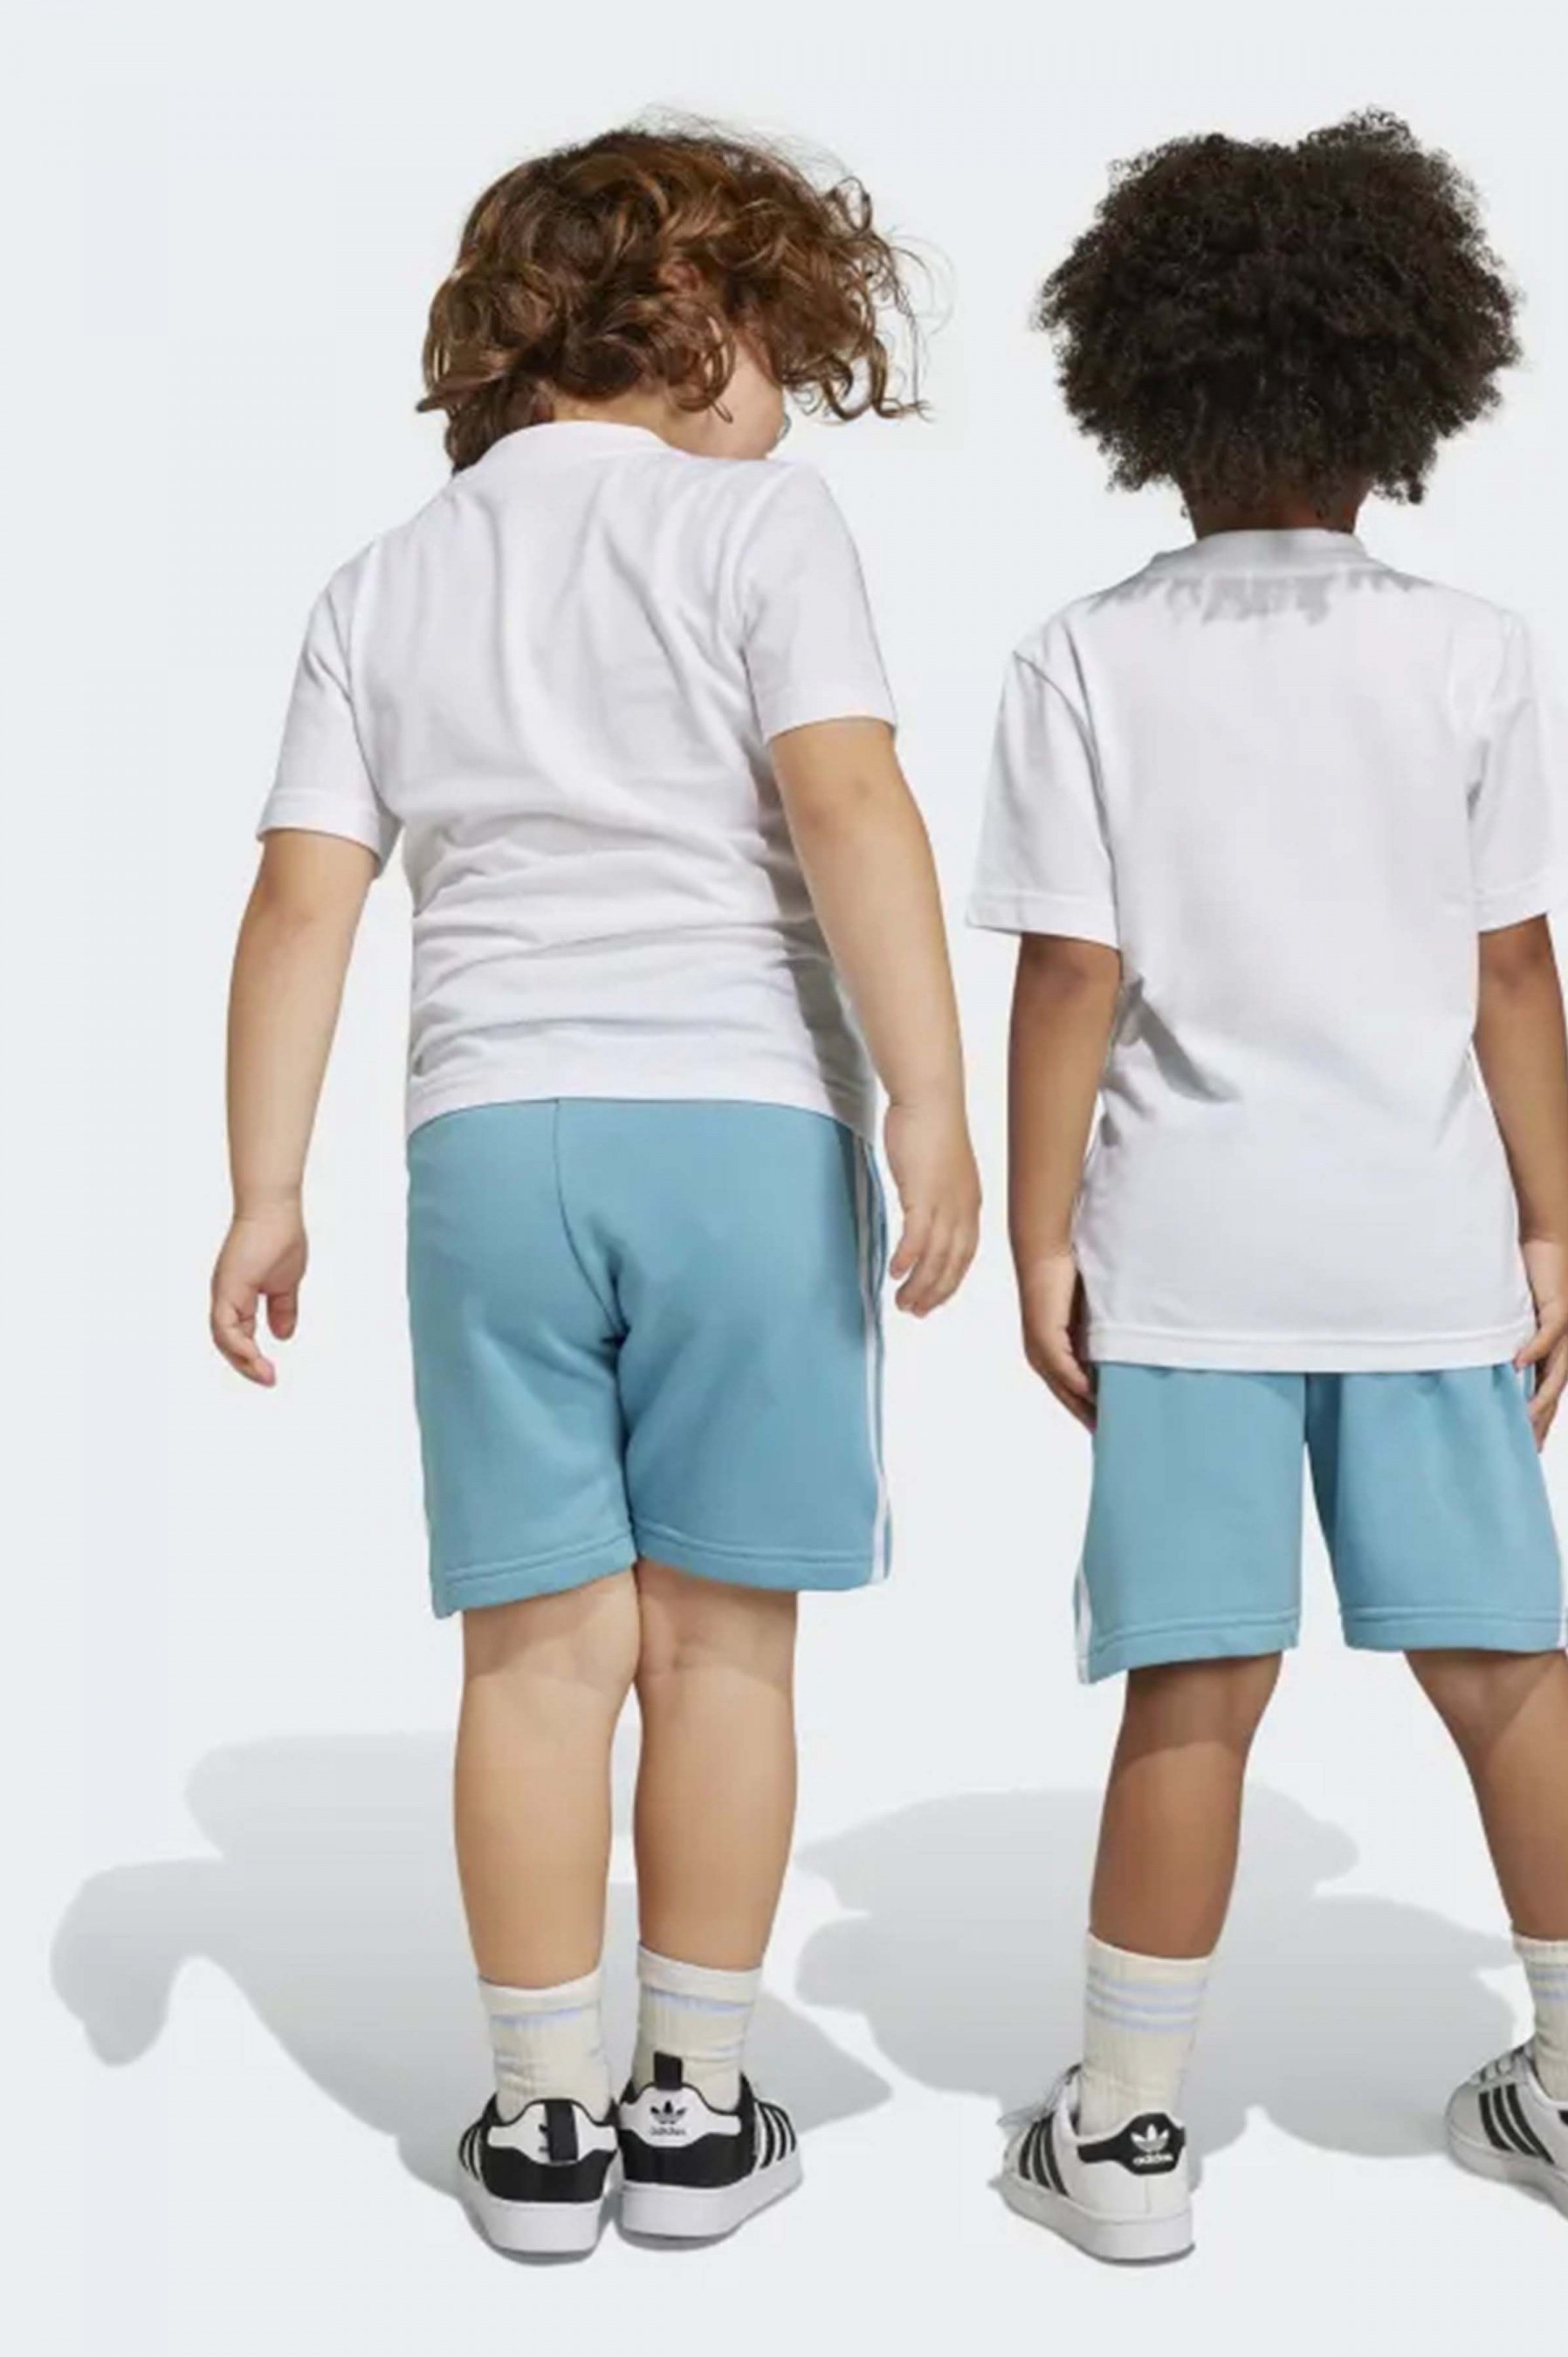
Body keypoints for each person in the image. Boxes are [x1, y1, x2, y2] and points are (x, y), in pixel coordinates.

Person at [210, 123, 979, 2258]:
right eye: (782, 345)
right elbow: (847, 796)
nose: (789, 401)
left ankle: (541, 2124)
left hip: (485, 1149)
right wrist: (929, 1094)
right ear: (699, 324)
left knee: (536, 1655)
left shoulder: (381, 579)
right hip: (741, 1131)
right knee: (723, 1643)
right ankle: (696, 2107)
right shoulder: (758, 529)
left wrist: (263, 1185)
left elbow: (301, 902)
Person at [972, 112, 1568, 2262]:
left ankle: (1123, 2139)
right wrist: (1550, 1219)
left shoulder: (1084, 652)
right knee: (1504, 1664)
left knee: (1194, 1685)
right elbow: (1510, 966)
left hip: (1188, 1255)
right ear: (1401, 386)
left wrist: (1037, 1228)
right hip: (1417, 1248)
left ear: (1144, 387)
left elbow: (1071, 972)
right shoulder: (1467, 648)